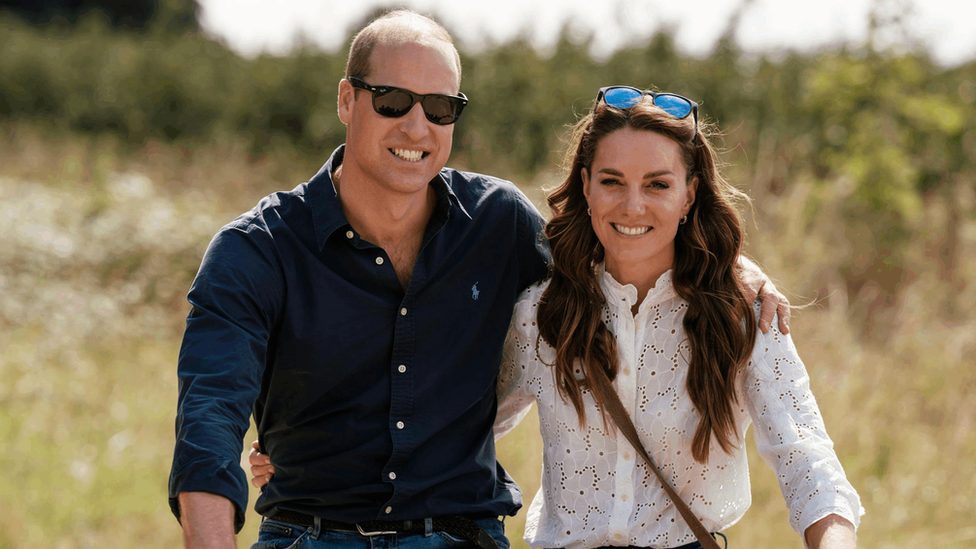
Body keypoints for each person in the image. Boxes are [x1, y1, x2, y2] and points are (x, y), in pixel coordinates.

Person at [175, 9, 789, 549]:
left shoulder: (496, 225)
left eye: (440, 108)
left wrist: (731, 265)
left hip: (461, 535)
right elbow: (208, 419)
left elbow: (620, 249)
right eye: (392, 100)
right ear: (346, 100)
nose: (417, 127)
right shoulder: (255, 252)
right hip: (309, 536)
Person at [490, 87, 862, 548]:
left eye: (657, 184)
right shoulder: (540, 312)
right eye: (612, 181)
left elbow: (806, 458)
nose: (632, 205)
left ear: (690, 195)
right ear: (586, 186)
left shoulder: (740, 314)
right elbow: (467, 427)